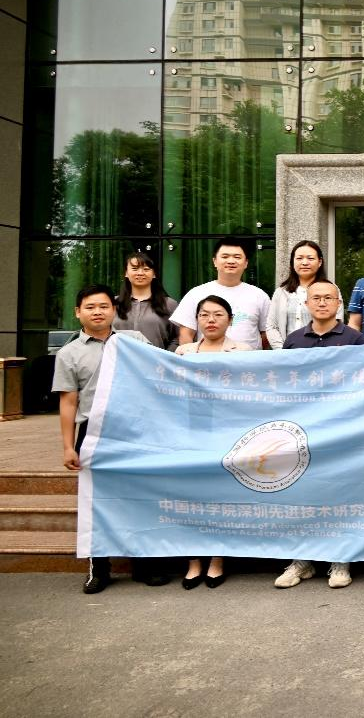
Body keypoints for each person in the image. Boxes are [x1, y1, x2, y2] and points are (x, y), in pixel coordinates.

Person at [53, 285, 166, 593]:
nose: (98, 312)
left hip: (135, 431)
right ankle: (99, 570)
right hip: (94, 433)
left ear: (114, 310)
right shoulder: (68, 354)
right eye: (90, 307)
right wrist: (67, 446)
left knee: (141, 498)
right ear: (78, 312)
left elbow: (161, 373)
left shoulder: (134, 341)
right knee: (97, 502)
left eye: (104, 306)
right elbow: (68, 402)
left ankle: (145, 566)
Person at [274, 280, 364, 591]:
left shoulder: (354, 339)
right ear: (306, 304)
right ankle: (301, 560)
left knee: (339, 494)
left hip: (342, 431)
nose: (323, 302)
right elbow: (283, 385)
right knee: (302, 495)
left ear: (339, 304)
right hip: (303, 430)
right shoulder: (293, 341)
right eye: (317, 298)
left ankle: (340, 559)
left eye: (329, 297)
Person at [175, 294, 249, 589]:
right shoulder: (183, 352)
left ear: (230, 320)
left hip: (228, 432)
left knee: (220, 497)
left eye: (218, 314)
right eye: (204, 314)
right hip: (190, 432)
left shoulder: (243, 352)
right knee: (190, 497)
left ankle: (217, 559)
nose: (211, 320)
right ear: (196, 320)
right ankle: (193, 562)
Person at [171, 236, 271, 350]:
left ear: (246, 263)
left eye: (237, 257)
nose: (231, 261)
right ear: (215, 261)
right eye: (225, 256)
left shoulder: (259, 295)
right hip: (207, 359)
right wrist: (191, 357)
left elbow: (266, 333)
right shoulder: (196, 294)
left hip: (248, 359)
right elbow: (186, 334)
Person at [266, 240, 342, 349]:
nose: (305, 263)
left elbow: (337, 323)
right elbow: (271, 326)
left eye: (310, 258)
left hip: (320, 352)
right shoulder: (281, 292)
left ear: (320, 262)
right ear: (292, 262)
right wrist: (282, 351)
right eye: (299, 258)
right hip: (287, 353)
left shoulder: (331, 289)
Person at [113, 251, 179, 350]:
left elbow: (177, 338)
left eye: (146, 269)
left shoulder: (169, 304)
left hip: (156, 359)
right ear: (126, 273)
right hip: (118, 358)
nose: (140, 273)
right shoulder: (113, 303)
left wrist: (165, 356)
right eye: (135, 269)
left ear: (154, 274)